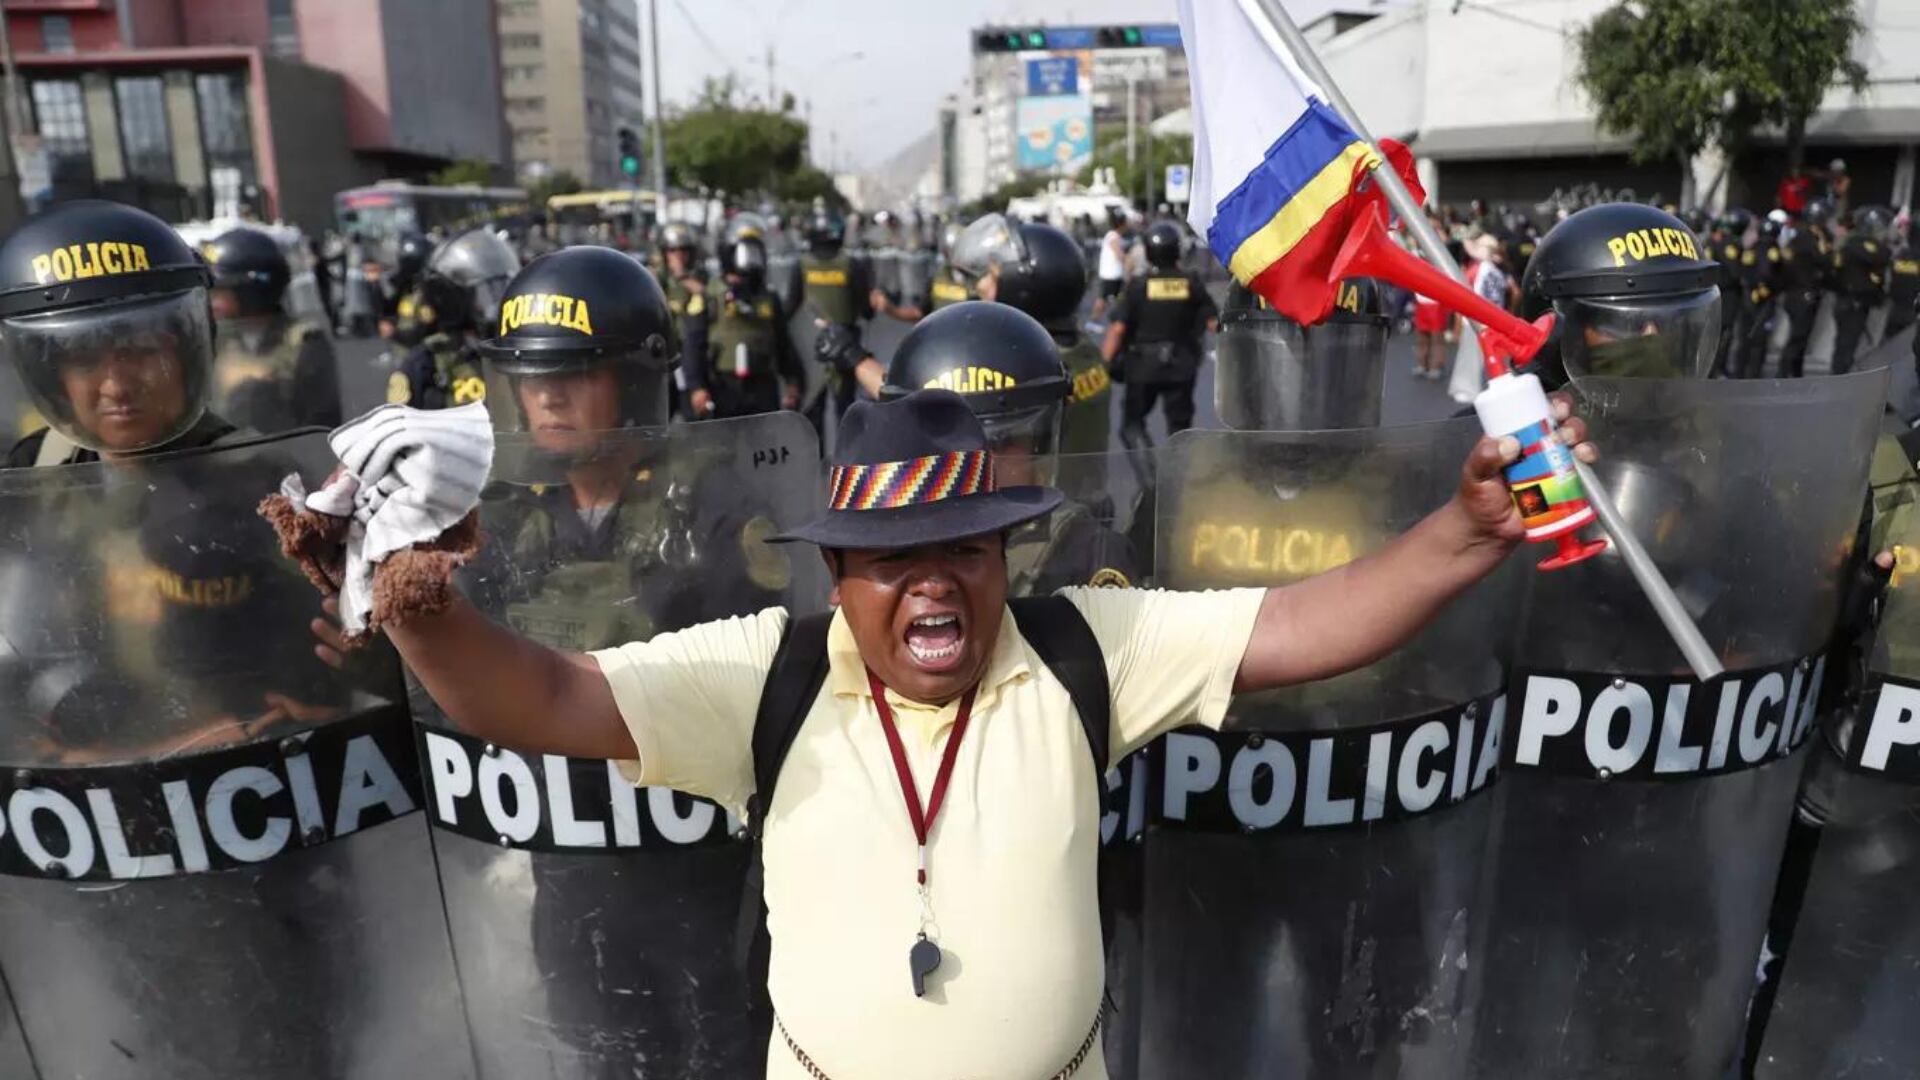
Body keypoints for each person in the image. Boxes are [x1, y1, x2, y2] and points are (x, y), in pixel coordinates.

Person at [336, 362, 1594, 1077]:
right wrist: (421, 614)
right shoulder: (763, 676)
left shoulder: (1075, 649)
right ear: (839, 576)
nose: (932, 579)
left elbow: (1298, 627)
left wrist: (1468, 530)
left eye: (963, 548)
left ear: (1003, 555)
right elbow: (551, 698)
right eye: (891, 558)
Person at [879, 301, 1137, 594]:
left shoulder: (1086, 553)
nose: (977, 466)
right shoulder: (879, 551)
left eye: (1000, 443)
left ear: (1038, 445)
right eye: (949, 448)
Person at [0, 199, 247, 467]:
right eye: (85, 360)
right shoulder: (34, 467)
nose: (117, 387)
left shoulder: (260, 480)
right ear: (52, 377)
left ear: (187, 358)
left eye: (143, 351)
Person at [950, 215, 1111, 462]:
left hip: (1048, 498)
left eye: (990, 280)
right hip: (1088, 495)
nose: (977, 292)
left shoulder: (1027, 371)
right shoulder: (1082, 349)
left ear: (1022, 287)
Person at [201, 225, 343, 434]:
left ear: (251, 291)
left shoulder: (304, 343)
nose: (211, 301)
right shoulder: (215, 341)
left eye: (220, 291)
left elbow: (322, 426)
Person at [1101, 220, 1218, 451]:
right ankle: (1176, 483)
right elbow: (1214, 323)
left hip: (1142, 366)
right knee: (1180, 431)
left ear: (1148, 251)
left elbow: (1118, 329)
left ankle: (1150, 483)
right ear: (1178, 249)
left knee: (1132, 426)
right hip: (1182, 364)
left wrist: (1103, 363)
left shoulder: (1138, 286)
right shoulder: (1191, 283)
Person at [388, 228, 521, 409]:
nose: (497, 307)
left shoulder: (525, 351)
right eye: (484, 295)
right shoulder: (428, 362)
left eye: (502, 288)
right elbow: (400, 428)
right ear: (452, 300)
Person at [681, 230, 805, 420]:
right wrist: (697, 387)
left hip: (763, 385)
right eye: (749, 251)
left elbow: (783, 343)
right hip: (723, 386)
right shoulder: (710, 296)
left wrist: (792, 381)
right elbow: (693, 345)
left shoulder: (768, 297)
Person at [798, 210, 874, 429]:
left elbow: (791, 304)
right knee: (845, 407)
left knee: (813, 405)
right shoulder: (850, 264)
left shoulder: (802, 264)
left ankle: (816, 459)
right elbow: (865, 306)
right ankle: (845, 458)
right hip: (846, 343)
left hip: (812, 344)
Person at [1778, 198, 1837, 379]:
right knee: (1797, 337)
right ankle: (1782, 375)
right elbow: (1825, 260)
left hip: (1799, 292)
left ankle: (1796, 374)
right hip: (1803, 293)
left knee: (1802, 339)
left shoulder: (1799, 236)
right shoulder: (1809, 238)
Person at [1830, 205, 1891, 376]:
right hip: (1854, 302)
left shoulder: (1848, 243)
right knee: (1848, 344)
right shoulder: (1862, 245)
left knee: (1843, 342)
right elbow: (1882, 256)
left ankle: (1837, 375)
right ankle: (1839, 379)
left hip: (1845, 300)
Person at [1092, 208, 1133, 320]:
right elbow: (1118, 254)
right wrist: (1128, 261)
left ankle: (1100, 319)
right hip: (1111, 275)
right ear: (1121, 224)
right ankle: (1096, 319)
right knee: (1105, 298)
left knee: (1108, 298)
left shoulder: (1113, 236)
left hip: (1112, 274)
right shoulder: (1113, 237)